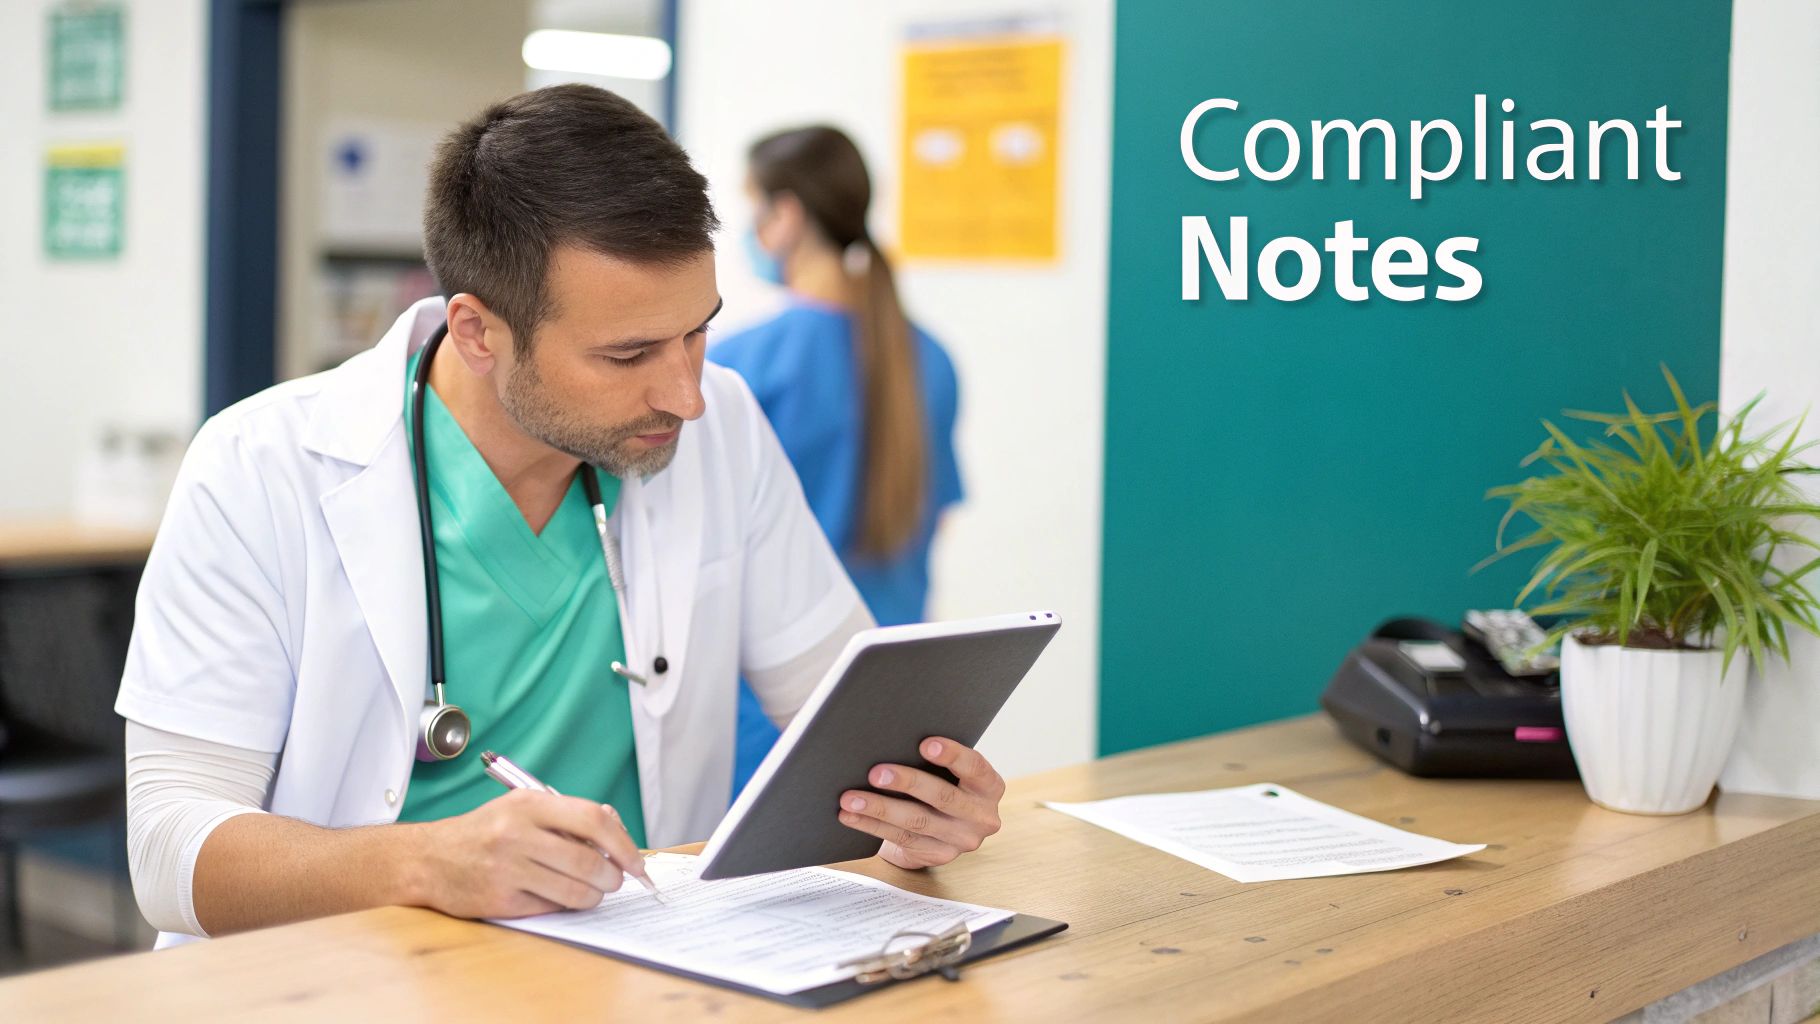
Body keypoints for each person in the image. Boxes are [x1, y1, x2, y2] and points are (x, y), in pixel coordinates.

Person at [114, 86, 1006, 946]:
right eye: (629, 354)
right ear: (477, 332)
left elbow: (844, 714)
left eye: (698, 332)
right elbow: (168, 850)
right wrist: (422, 863)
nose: (686, 394)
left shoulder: (723, 423)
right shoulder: (260, 468)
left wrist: (916, 808)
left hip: (639, 970)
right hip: (343, 983)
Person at [710, 127, 963, 789]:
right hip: (897, 704)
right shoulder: (929, 359)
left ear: (785, 214)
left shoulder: (735, 367)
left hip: (765, 714)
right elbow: (933, 522)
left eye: (753, 206)